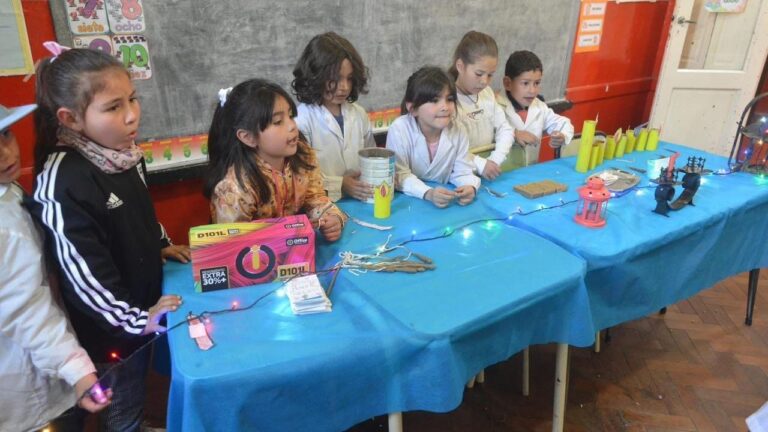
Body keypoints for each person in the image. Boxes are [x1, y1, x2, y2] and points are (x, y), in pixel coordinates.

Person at [25, 46, 187, 431]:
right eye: (113, 107)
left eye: (132, 99)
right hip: (109, 336)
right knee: (119, 412)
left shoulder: (123, 153)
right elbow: (82, 273)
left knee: (132, 401)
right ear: (71, 118)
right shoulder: (63, 181)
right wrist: (136, 321)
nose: (132, 115)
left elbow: (139, 210)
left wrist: (161, 240)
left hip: (136, 318)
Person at [205, 79, 347, 241]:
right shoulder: (234, 189)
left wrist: (333, 219)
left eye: (291, 116)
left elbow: (315, 198)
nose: (292, 126)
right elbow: (231, 245)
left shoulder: (302, 155)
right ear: (248, 137)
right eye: (278, 122)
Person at [292, 32, 376, 202]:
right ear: (315, 76)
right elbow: (300, 177)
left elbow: (370, 156)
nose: (344, 87)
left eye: (349, 79)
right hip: (322, 205)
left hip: (360, 201)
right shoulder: (301, 120)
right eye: (335, 79)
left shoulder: (358, 114)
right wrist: (341, 185)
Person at [386, 66, 480, 208]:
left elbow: (462, 171)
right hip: (408, 204)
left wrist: (469, 186)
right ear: (413, 108)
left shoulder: (458, 130)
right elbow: (400, 176)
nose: (445, 107)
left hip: (444, 204)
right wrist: (428, 193)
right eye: (435, 100)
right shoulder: (399, 129)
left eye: (449, 99)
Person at [449, 30, 514, 180]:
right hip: (458, 174)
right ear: (460, 66)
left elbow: (505, 129)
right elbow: (447, 147)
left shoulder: (487, 93)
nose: (484, 81)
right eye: (479, 74)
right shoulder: (446, 100)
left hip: (488, 170)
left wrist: (494, 160)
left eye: (490, 75)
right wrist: (479, 164)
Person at [497, 50, 574, 165]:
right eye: (525, 83)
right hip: (501, 173)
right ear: (508, 83)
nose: (532, 90)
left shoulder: (539, 106)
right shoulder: (495, 106)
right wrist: (513, 133)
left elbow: (563, 123)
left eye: (537, 83)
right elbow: (487, 133)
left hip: (530, 170)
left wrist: (562, 135)